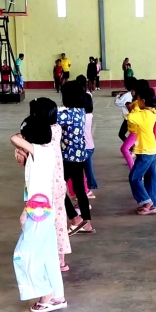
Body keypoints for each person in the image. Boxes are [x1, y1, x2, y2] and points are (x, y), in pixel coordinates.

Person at [10, 116, 67, 312]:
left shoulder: (41, 151)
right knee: (48, 256)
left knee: (24, 254)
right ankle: (57, 296)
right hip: (43, 211)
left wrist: (23, 135)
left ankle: (46, 293)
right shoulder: (43, 152)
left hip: (38, 214)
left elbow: (14, 138)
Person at [20, 97, 72, 273]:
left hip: (44, 187)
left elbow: (19, 139)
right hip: (59, 184)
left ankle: (42, 254)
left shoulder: (41, 135)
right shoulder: (56, 129)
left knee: (32, 220)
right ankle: (60, 260)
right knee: (59, 221)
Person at [58, 80, 94, 235]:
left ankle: (74, 218)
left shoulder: (67, 114)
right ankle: (87, 223)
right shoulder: (80, 111)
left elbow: (50, 117)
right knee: (80, 190)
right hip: (79, 156)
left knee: (56, 188)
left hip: (68, 158)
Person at [127, 80, 156, 215]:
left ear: (143, 101)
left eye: (139, 99)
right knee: (151, 177)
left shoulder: (143, 115)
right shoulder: (152, 111)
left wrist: (134, 106)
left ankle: (146, 201)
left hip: (146, 151)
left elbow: (131, 117)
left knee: (134, 177)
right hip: (151, 149)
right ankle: (153, 204)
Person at [115, 74, 137, 143]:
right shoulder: (135, 93)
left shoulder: (127, 95)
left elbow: (117, 102)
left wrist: (118, 95)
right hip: (135, 117)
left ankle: (131, 147)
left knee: (121, 134)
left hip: (128, 118)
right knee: (134, 134)